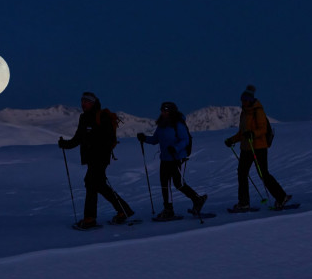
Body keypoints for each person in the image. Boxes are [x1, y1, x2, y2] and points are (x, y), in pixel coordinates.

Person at [58, 92, 134, 229]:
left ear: (92, 102)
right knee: (99, 185)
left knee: (91, 184)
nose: (83, 104)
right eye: (82, 101)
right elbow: (78, 138)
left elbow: (108, 138)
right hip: (92, 159)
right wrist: (65, 145)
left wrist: (96, 148)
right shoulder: (84, 118)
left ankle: (90, 218)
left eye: (86, 101)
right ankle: (124, 210)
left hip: (99, 158)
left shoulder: (101, 116)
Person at [224, 85, 291, 210]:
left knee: (263, 174)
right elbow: (242, 133)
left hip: (259, 147)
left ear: (250, 100)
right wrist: (231, 140)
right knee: (242, 174)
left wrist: (252, 134)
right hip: (246, 148)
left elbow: (263, 129)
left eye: (244, 99)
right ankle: (244, 203)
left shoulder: (258, 111)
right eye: (242, 100)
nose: (242, 102)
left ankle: (281, 197)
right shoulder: (244, 113)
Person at [137, 102, 207, 219]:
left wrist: (175, 148)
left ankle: (197, 199)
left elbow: (185, 140)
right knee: (165, 184)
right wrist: (144, 139)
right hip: (165, 159)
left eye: (166, 110)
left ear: (172, 111)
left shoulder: (178, 124)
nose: (163, 112)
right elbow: (155, 140)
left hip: (177, 158)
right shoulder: (161, 125)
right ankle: (168, 209)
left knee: (178, 184)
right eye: (162, 110)